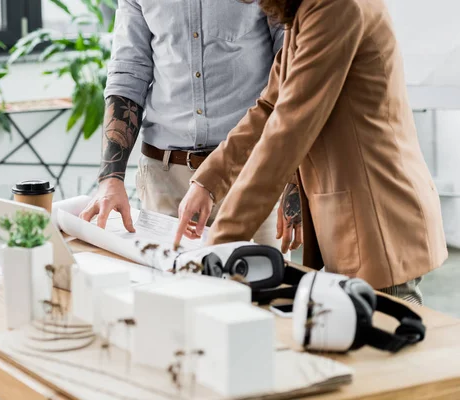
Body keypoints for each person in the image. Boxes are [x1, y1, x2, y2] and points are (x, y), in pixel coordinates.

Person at [174, 0, 448, 304]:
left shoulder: (336, 7)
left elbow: (287, 130)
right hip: (357, 223)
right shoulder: (308, 8)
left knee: (381, 345)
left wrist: (221, 242)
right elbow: (269, 107)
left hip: (379, 223)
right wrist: (208, 183)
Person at [79, 0, 301, 254]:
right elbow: (128, 72)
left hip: (251, 174)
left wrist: (295, 177)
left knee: (257, 287)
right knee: (169, 288)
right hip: (165, 180)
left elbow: (292, 74)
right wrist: (111, 177)